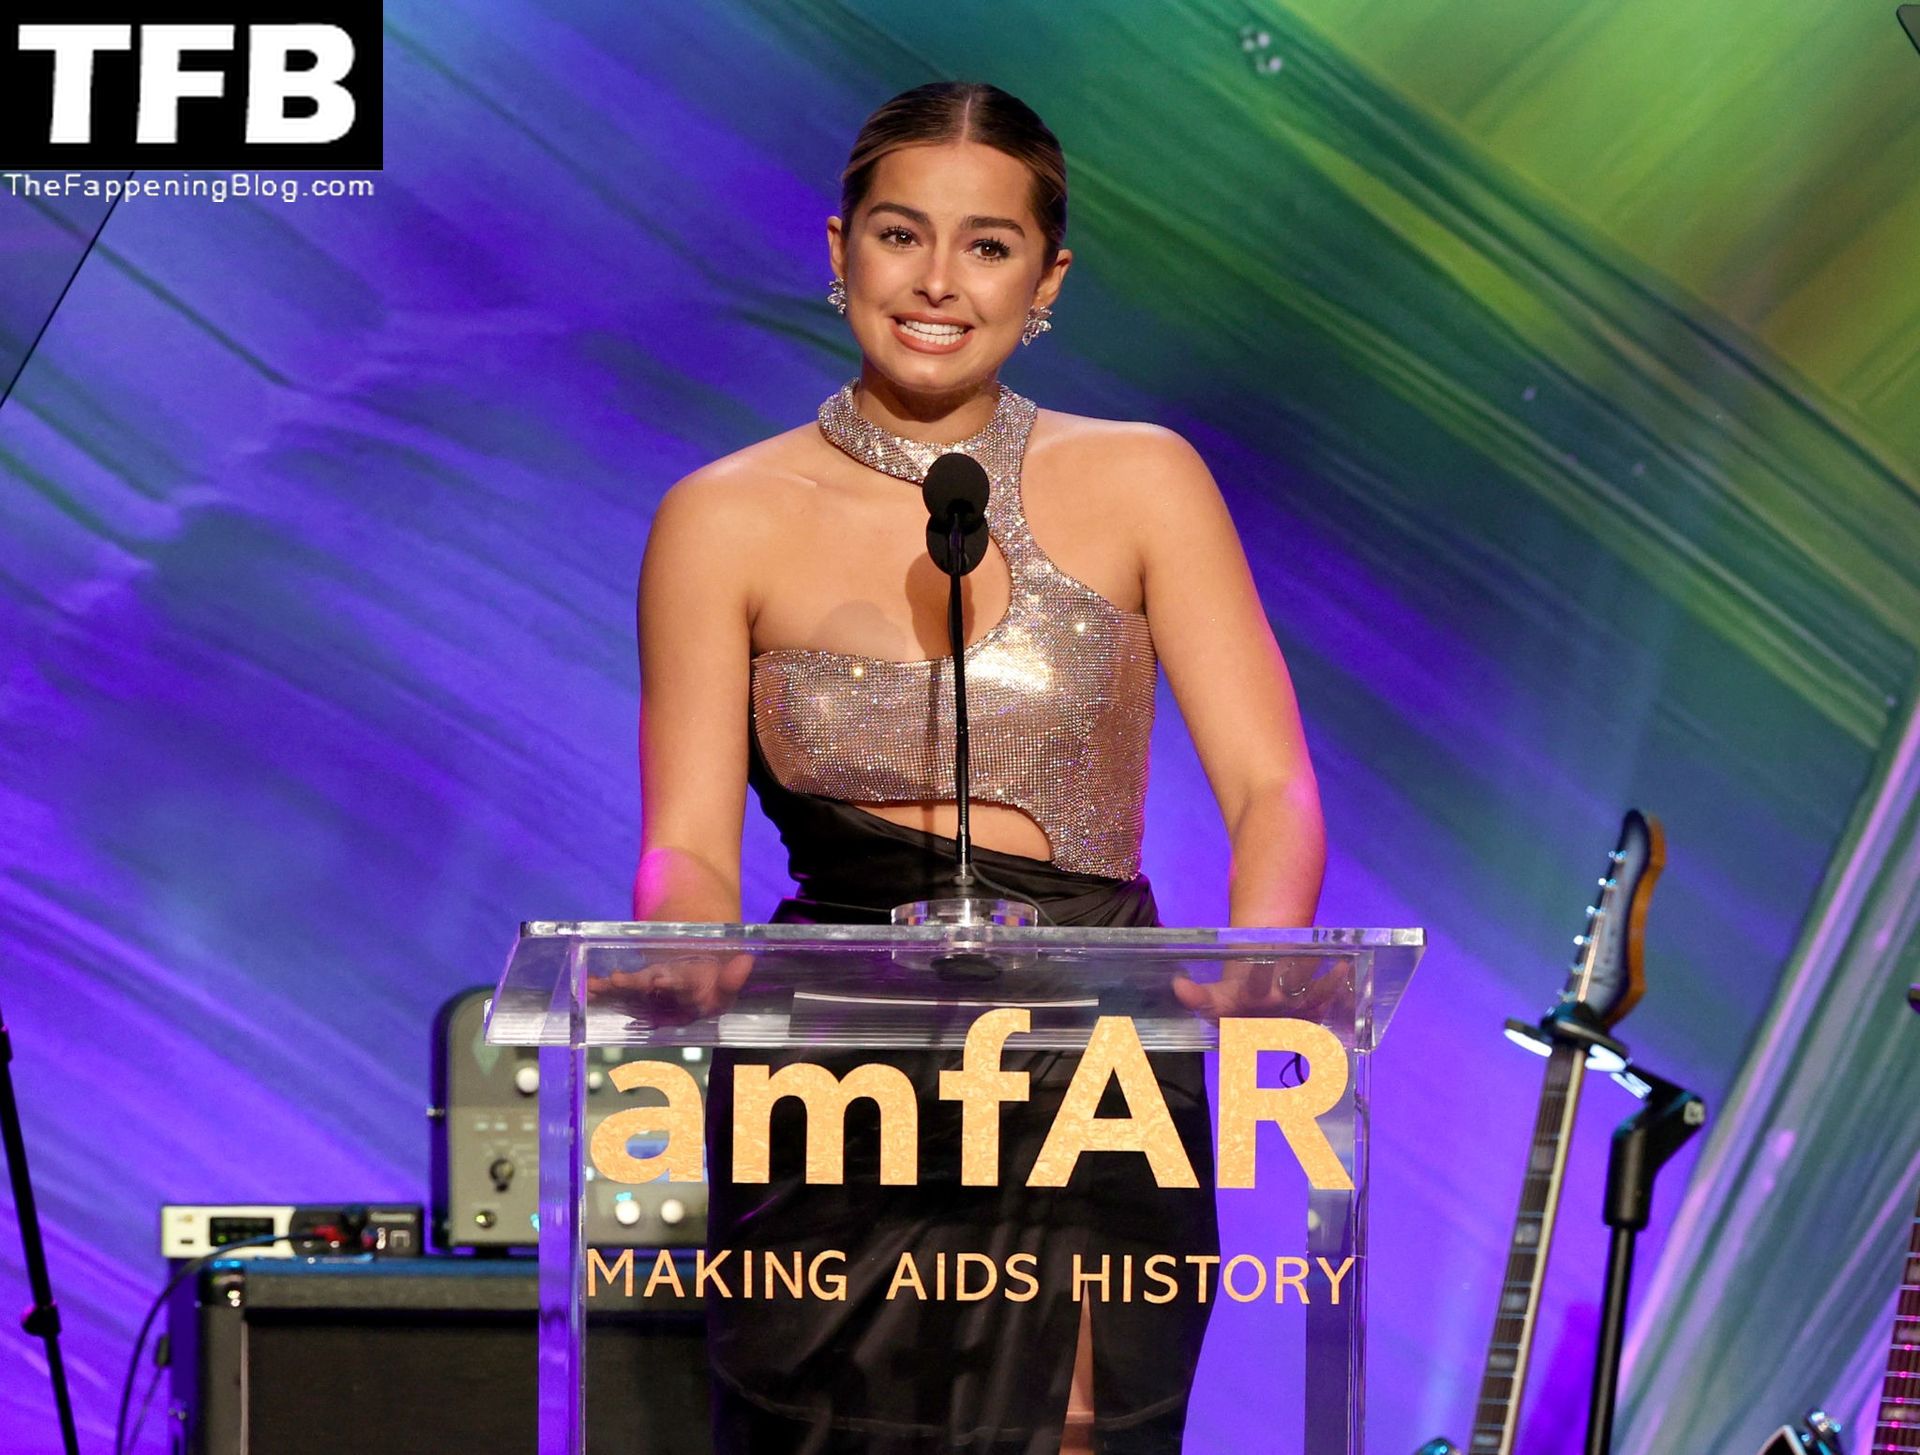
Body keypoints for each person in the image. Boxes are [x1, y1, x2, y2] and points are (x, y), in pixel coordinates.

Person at [631, 81, 1325, 1455]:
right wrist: (675, 938)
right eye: (902, 236)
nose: (939, 281)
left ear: (1047, 278)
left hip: (1093, 1065)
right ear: (839, 253)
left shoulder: (1144, 480)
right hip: (834, 1069)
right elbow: (688, 842)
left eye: (989, 245)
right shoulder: (719, 516)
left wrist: (1267, 950)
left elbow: (1272, 791)